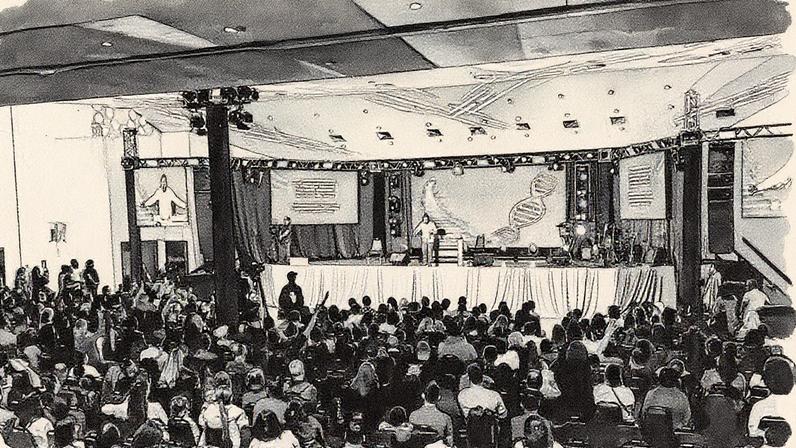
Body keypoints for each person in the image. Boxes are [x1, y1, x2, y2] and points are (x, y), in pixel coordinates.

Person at [408, 382, 454, 446]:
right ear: (439, 398)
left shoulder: (413, 416)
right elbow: (450, 442)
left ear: (423, 396)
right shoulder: (446, 418)